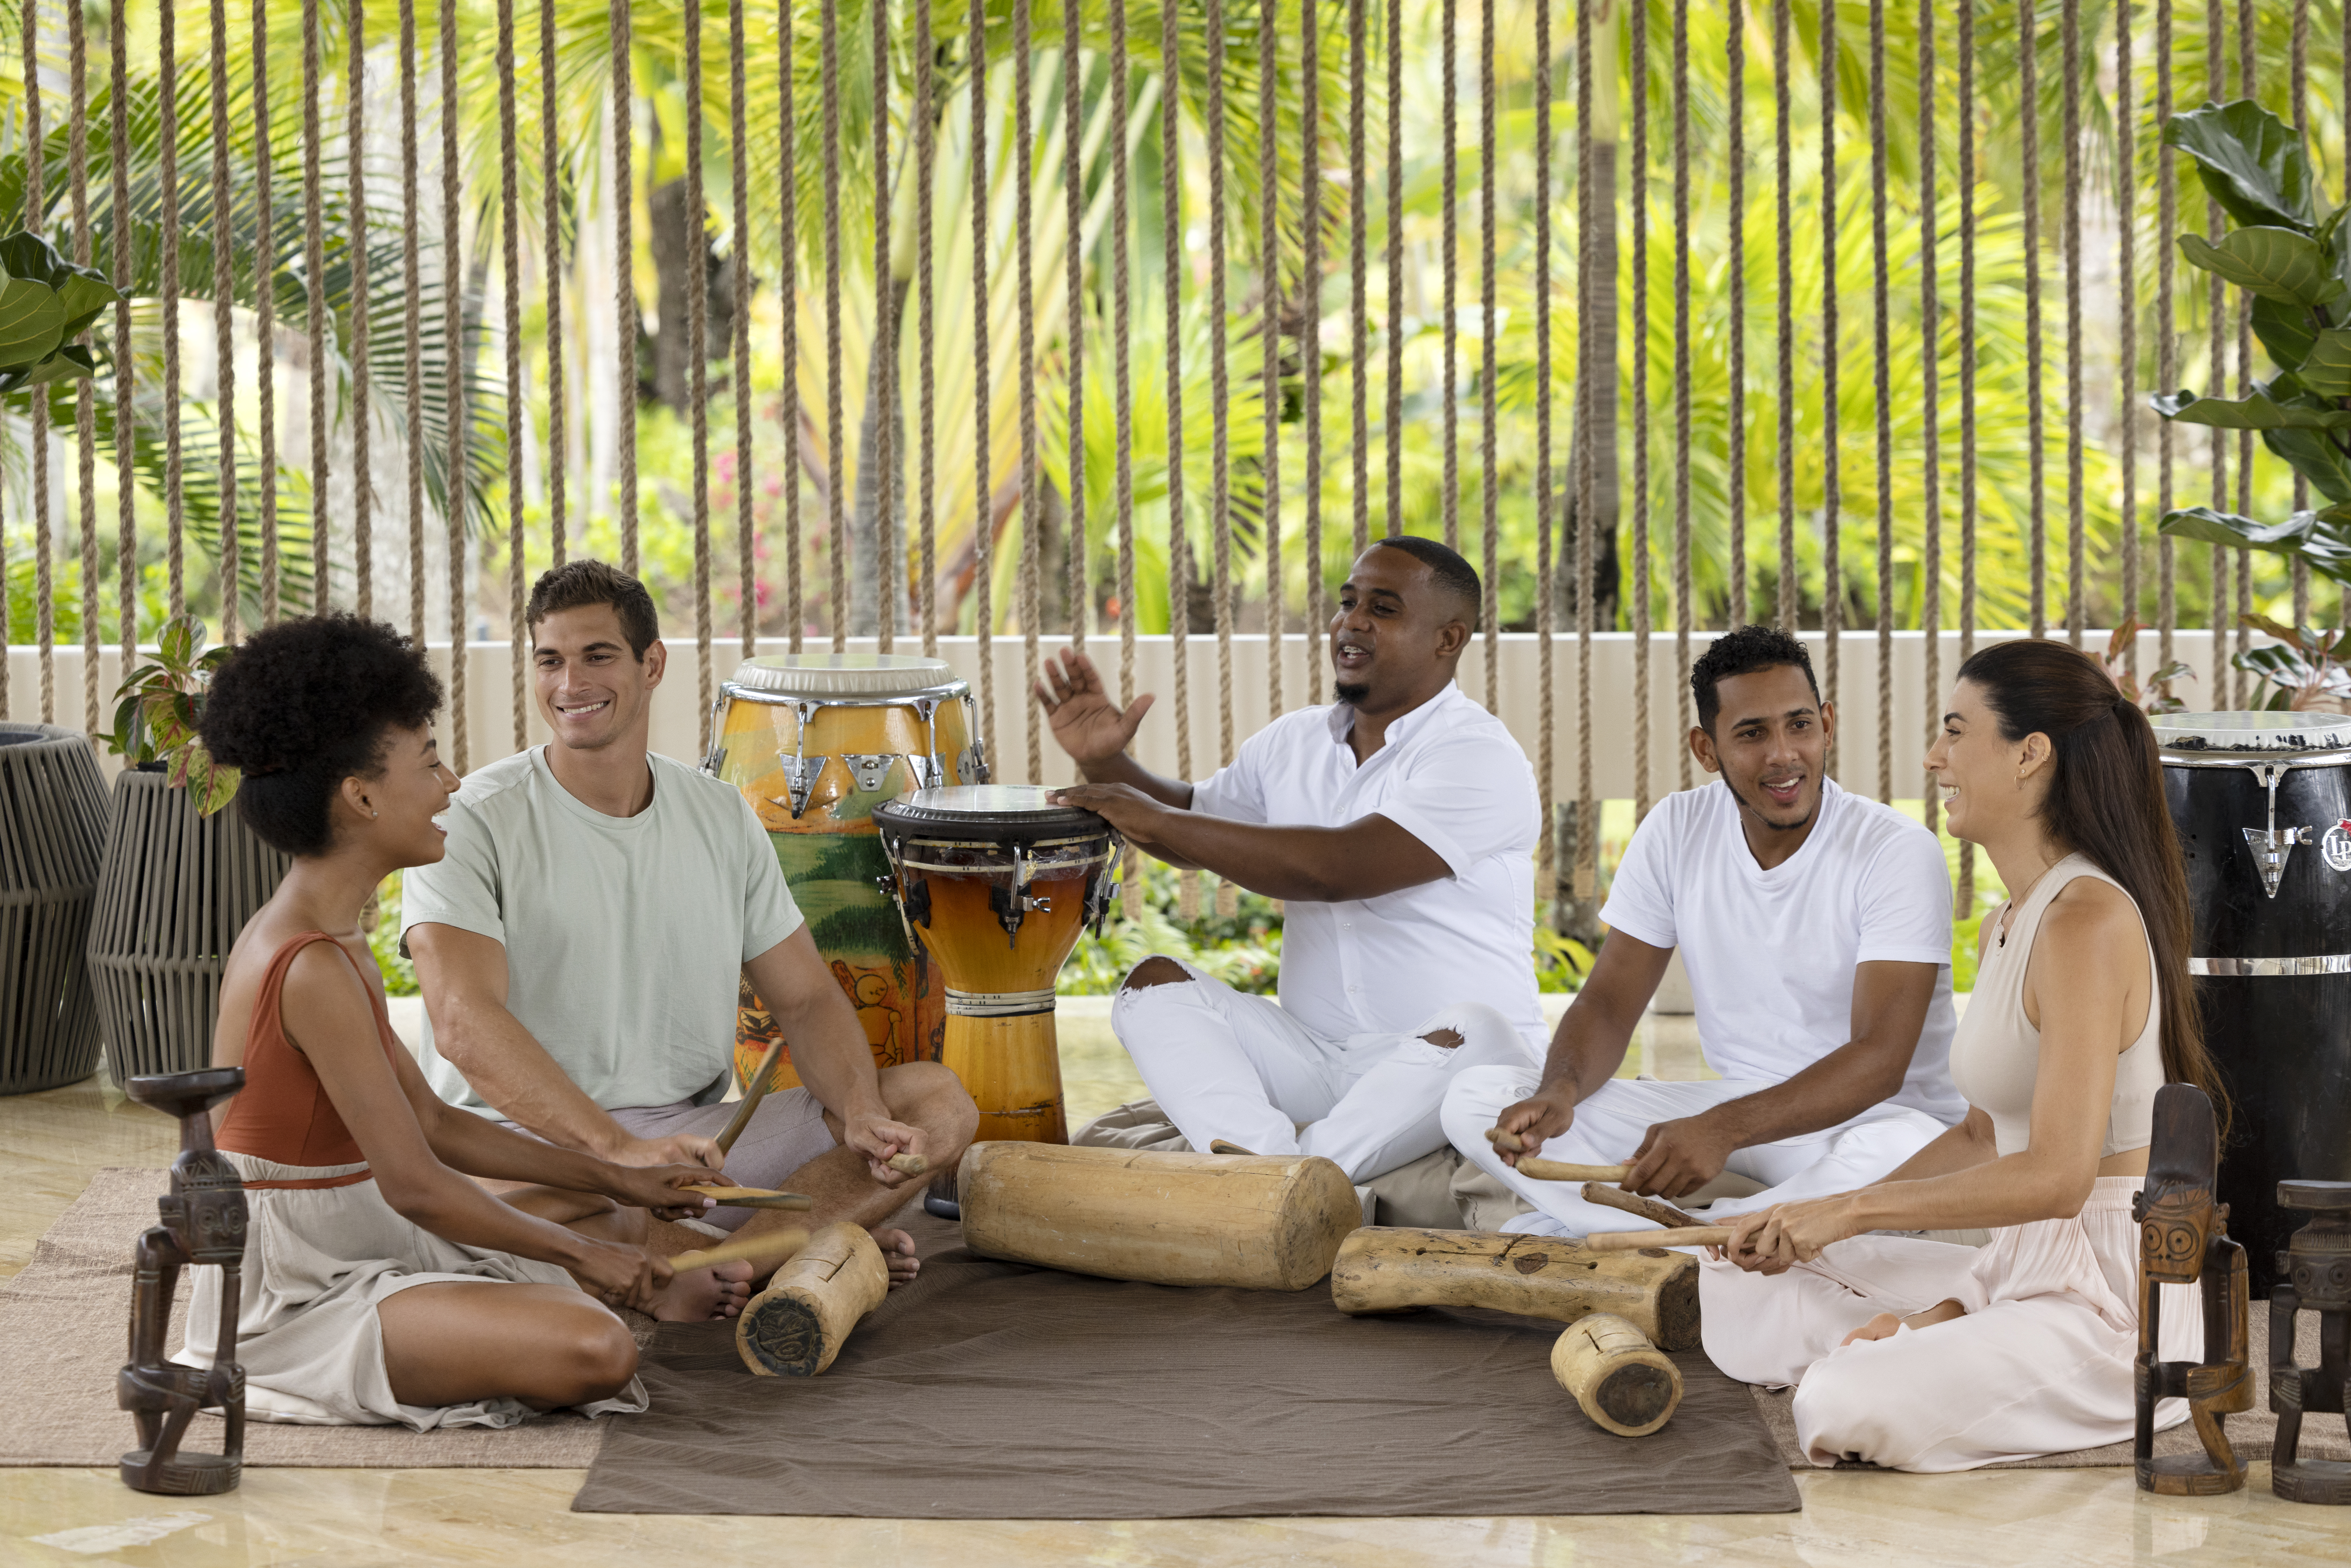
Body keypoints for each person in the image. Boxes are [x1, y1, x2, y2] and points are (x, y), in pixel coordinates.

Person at [190, 613, 730, 1429]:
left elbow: (436, 1122)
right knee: (598, 1349)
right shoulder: (310, 968)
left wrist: (621, 1172)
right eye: (432, 764)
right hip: (298, 1282)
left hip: (359, 1229)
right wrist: (587, 1258)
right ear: (361, 796)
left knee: (610, 1216)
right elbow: (416, 1184)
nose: (450, 787)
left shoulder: (333, 939)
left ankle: (569, 1279)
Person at [1698, 639, 2220, 1470]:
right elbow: (1984, 1136)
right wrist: (1816, 1219)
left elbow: (2058, 1178)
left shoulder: (2087, 923)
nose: (1934, 757)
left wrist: (1854, 1212)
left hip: (2113, 1299)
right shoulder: (2009, 920)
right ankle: (1933, 1337)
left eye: (1953, 732)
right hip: (2019, 1261)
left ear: (2029, 755)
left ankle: (1908, 1352)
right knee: (1737, 1278)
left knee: (1840, 1401)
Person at [401, 560, 977, 1290]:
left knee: (934, 1101)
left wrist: (861, 1111)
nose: (569, 684)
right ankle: (806, 1243)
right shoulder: (473, 816)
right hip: (527, 1153)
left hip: (690, 1147)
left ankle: (732, 1262)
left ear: (652, 663)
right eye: (551, 660)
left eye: (597, 656)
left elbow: (803, 998)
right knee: (490, 1206)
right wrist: (612, 1149)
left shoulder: (719, 812)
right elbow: (461, 1021)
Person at [1038, 535, 1540, 1181]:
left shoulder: (1478, 755)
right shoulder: (1294, 740)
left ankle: (1274, 1176)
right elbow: (1195, 827)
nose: (1351, 622)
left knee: (1478, 1028)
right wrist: (1108, 763)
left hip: (1447, 1065)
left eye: (1382, 609)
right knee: (1152, 987)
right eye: (1347, 602)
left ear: (1449, 639)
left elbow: (1336, 870)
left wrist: (1155, 815)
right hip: (1316, 1064)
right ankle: (1279, 1175)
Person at [1443, 625, 1964, 1237]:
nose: (1782, 754)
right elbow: (1610, 1003)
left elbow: (1879, 1061)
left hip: (1872, 1120)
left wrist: (1721, 1129)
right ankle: (1701, 1240)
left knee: (1902, 1156)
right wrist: (1560, 1090)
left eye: (1799, 725)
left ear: (1827, 724)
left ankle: (1666, 1237)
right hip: (1733, 1106)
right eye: (1751, 734)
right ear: (1706, 748)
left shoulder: (1894, 849)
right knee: (1477, 1097)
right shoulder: (1675, 827)